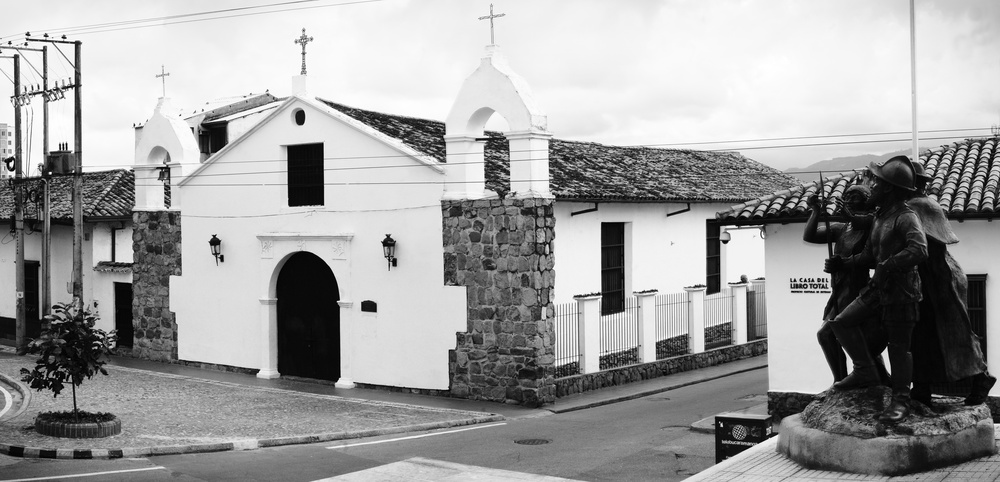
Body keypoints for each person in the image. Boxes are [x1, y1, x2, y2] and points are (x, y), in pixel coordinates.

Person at [825, 155, 928, 423]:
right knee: (841, 322)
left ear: (890, 189)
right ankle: (865, 371)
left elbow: (919, 249)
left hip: (901, 293)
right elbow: (870, 255)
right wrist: (843, 263)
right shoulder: (880, 217)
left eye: (878, 184)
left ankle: (901, 399)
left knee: (898, 347)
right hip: (877, 288)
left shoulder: (906, 217)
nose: (873, 187)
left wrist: (890, 264)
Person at [907, 162, 994, 406]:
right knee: (921, 333)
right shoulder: (916, 205)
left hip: (939, 276)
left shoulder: (918, 205)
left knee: (955, 332)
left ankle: (981, 378)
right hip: (928, 274)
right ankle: (921, 386)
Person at [803, 184, 888, 385]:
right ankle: (842, 380)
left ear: (866, 201)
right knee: (831, 337)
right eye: (847, 196)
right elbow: (810, 236)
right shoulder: (842, 229)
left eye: (855, 197)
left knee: (836, 336)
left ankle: (857, 378)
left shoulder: (872, 227)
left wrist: (842, 263)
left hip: (858, 289)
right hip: (840, 289)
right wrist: (815, 211)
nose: (849, 200)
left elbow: (874, 259)